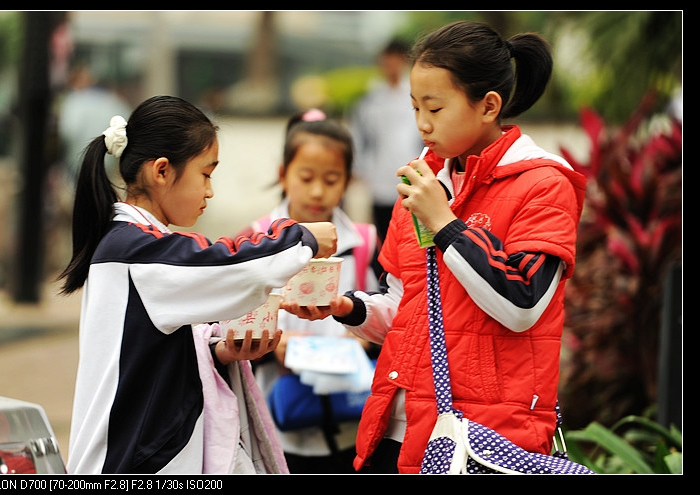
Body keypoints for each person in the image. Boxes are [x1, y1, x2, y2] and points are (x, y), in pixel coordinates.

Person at [282, 21, 587, 474]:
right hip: (396, 425)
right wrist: (346, 307)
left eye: (436, 108)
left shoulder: (543, 184)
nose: (422, 124)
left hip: (483, 438)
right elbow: (406, 310)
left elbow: (522, 306)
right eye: (415, 107)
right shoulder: (424, 180)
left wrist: (444, 222)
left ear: (488, 106)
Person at [57, 95, 338, 474]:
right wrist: (300, 238)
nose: (209, 190)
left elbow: (156, 351)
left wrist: (222, 350)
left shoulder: (131, 243)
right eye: (205, 174)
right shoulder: (138, 250)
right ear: (161, 171)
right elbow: (233, 265)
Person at [238, 109, 381, 473]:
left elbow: (389, 312)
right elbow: (232, 325)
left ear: (348, 180)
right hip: (278, 416)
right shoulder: (252, 241)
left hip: (353, 417)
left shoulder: (364, 241)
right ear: (283, 174)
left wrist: (363, 340)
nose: (318, 191)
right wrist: (274, 347)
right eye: (306, 177)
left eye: (332, 179)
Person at [349, 39, 424, 248]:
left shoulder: (415, 96)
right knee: (383, 233)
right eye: (386, 61)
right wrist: (357, 168)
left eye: (395, 60)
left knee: (411, 234)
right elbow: (360, 137)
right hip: (380, 176)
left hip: (411, 171)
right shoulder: (371, 100)